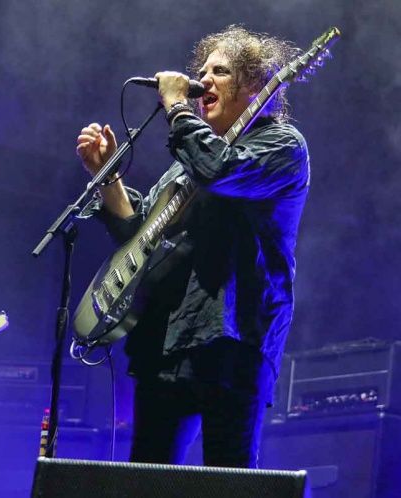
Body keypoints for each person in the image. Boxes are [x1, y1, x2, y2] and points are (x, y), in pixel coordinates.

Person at [76, 25, 309, 468]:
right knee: (148, 477)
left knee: (227, 478)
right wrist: (107, 176)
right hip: (164, 338)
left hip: (232, 338)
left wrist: (177, 107)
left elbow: (219, 171)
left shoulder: (280, 144)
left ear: (255, 84)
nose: (202, 81)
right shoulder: (192, 159)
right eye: (201, 72)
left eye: (219, 72)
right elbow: (138, 235)